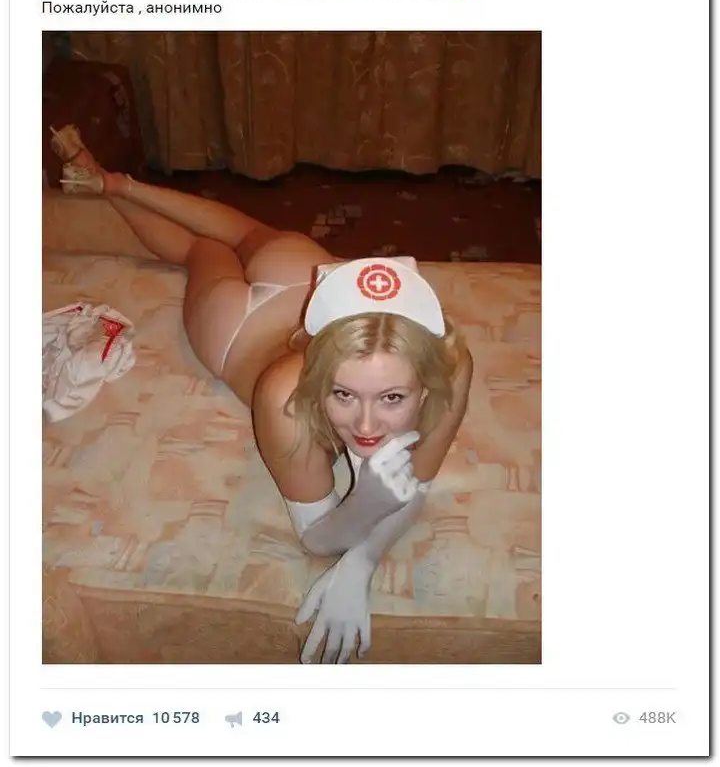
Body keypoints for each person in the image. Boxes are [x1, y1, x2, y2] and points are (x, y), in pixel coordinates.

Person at [50, 125, 474, 664]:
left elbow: (417, 484)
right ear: (317, 372)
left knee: (234, 238)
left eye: (392, 398)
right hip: (240, 323)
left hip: (305, 275)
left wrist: (362, 560)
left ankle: (110, 183)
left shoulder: (450, 365)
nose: (366, 426)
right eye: (342, 394)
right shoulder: (283, 396)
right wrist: (364, 508)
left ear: (426, 380)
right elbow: (315, 538)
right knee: (199, 250)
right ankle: (110, 186)